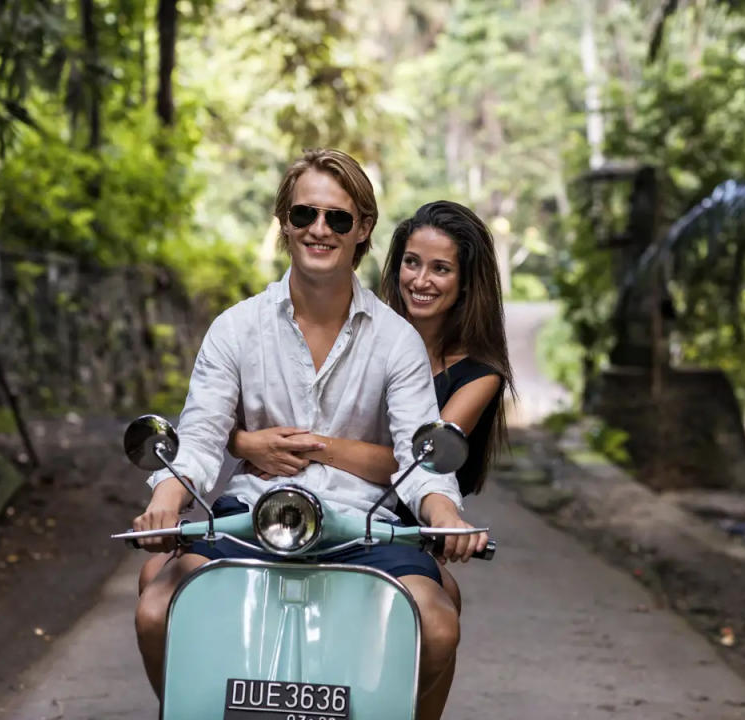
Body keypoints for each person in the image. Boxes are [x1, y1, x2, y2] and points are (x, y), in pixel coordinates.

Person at [133, 149, 487, 720]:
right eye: (304, 215)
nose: (319, 230)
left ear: (363, 229)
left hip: (365, 528)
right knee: (156, 613)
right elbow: (199, 437)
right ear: (285, 223)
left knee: (439, 627)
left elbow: (420, 454)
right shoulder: (236, 327)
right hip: (252, 517)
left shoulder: (396, 341)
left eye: (337, 218)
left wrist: (444, 513)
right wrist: (165, 500)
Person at [232, 200, 515, 615]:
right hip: (307, 504)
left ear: (467, 281)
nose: (421, 280)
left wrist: (304, 448)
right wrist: (245, 442)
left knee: (436, 610)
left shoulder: (479, 375)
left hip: (395, 521)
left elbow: (416, 463)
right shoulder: (362, 331)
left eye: (441, 269)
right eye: (412, 263)